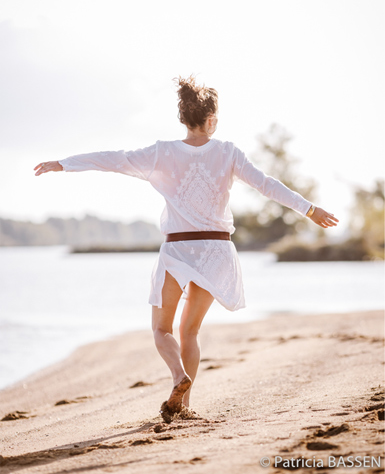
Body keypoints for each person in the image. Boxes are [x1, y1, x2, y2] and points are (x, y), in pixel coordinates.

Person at [34, 75, 339, 423]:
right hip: (216, 252)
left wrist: (64, 163)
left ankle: (178, 376)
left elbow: (115, 159)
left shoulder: (163, 152)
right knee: (189, 331)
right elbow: (267, 186)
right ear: (210, 119)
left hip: (179, 251)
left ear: (184, 118)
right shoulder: (228, 152)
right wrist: (310, 209)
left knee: (161, 330)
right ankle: (184, 403)